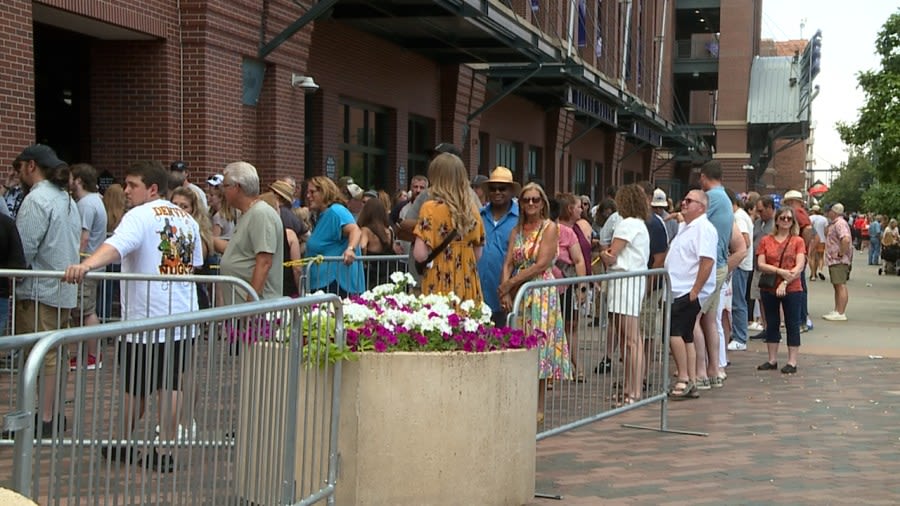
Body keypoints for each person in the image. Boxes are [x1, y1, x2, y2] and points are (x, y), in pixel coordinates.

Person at [63, 160, 203, 471]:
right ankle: (162, 450)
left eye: (132, 185)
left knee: (136, 385)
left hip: (146, 317)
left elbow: (116, 246)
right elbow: (193, 262)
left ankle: (125, 442)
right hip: (181, 314)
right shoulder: (186, 218)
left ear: (152, 189)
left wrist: (86, 265)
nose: (126, 191)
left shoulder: (138, 216)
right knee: (171, 383)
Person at [13, 144, 81, 437]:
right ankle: (51, 414)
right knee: (56, 352)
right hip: (63, 289)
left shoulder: (36, 199)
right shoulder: (67, 199)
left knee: (40, 355)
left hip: (39, 289)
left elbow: (24, 249)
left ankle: (45, 418)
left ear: (30, 166)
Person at [499, 183, 572, 424]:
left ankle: (539, 405)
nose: (531, 204)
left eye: (535, 200)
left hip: (540, 291)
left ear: (543, 203)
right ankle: (520, 398)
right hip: (520, 291)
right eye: (526, 200)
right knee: (520, 343)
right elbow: (509, 260)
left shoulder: (550, 228)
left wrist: (510, 284)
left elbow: (542, 263)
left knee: (539, 345)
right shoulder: (516, 230)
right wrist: (505, 290)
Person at [599, 185, 650, 404]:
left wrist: (603, 254)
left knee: (630, 339)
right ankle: (630, 387)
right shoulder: (639, 224)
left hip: (625, 282)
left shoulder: (627, 224)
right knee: (627, 339)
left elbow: (611, 255)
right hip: (629, 281)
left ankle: (634, 390)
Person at [664, 190, 716, 400]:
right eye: (683, 199)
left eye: (689, 201)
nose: (683, 203)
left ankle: (684, 377)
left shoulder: (703, 228)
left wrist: (695, 290)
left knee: (674, 333)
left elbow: (707, 260)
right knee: (686, 335)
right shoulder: (687, 226)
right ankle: (691, 380)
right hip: (679, 288)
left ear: (701, 207)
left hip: (687, 290)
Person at [413, 153, 485, 303]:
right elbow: (478, 253)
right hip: (467, 281)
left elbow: (420, 255)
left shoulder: (430, 209)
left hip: (438, 280)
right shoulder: (472, 210)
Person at [219, 162, 284, 302]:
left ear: (237, 187)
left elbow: (264, 261)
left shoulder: (261, 214)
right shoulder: (247, 214)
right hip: (241, 309)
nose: (223, 191)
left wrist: (251, 305)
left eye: (225, 186)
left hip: (256, 312)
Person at [756, 206, 807, 374]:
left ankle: (792, 361)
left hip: (792, 287)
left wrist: (785, 282)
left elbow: (799, 265)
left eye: (789, 219)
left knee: (792, 323)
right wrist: (779, 272)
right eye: (782, 218)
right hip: (769, 287)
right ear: (776, 220)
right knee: (771, 322)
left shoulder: (797, 241)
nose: (785, 221)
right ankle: (772, 359)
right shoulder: (766, 240)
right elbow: (761, 264)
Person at [68, 163, 109, 370]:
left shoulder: (85, 204)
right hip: (92, 264)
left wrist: (75, 261)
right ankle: (89, 354)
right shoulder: (96, 201)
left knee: (85, 311)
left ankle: (93, 355)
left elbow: (83, 238)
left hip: (86, 264)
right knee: (84, 310)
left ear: (79, 181)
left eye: (71, 177)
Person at [697, 161, 733, 388]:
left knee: (695, 319)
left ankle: (701, 372)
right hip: (718, 264)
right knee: (709, 320)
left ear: (703, 177)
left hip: (712, 265)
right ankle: (714, 369)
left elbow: (693, 218)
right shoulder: (724, 197)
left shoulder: (714, 197)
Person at [304, 176, 363, 296]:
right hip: (322, 286)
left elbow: (355, 230)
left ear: (324, 192)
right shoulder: (322, 215)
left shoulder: (336, 211)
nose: (308, 196)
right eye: (307, 192)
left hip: (335, 286)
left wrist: (350, 250)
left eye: (312, 192)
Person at [476, 167, 519, 327]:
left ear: (511, 191)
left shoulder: (521, 219)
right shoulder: (478, 216)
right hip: (477, 296)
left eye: (502, 188)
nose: (497, 192)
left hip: (505, 297)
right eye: (493, 189)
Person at [782, 190, 813, 332]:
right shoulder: (801, 212)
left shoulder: (797, 212)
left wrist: (802, 248)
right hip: (797, 255)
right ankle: (801, 319)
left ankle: (801, 320)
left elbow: (807, 229)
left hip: (796, 256)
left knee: (797, 288)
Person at [727, 188, 754, 352]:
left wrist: (734, 255)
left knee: (738, 302)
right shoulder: (741, 215)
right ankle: (739, 335)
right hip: (742, 264)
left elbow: (745, 241)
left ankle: (740, 337)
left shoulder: (738, 217)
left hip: (740, 265)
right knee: (738, 301)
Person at [749, 196, 775, 340]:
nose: (759, 213)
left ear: (770, 208)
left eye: (761, 210)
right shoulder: (758, 223)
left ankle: (772, 328)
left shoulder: (775, 224)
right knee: (759, 298)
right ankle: (766, 327)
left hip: (769, 267)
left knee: (770, 300)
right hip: (757, 266)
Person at [823, 203, 852, 321]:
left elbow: (845, 239)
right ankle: (837, 309)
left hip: (838, 259)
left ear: (834, 212)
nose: (828, 213)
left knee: (840, 285)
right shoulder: (835, 223)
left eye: (829, 211)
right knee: (837, 285)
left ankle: (841, 312)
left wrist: (841, 252)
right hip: (834, 259)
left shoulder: (840, 223)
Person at [808, 205, 828, 281]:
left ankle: (813, 275)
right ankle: (820, 270)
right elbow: (826, 231)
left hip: (812, 240)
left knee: (812, 257)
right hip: (822, 240)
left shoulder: (810, 218)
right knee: (820, 257)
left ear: (812, 211)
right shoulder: (824, 219)